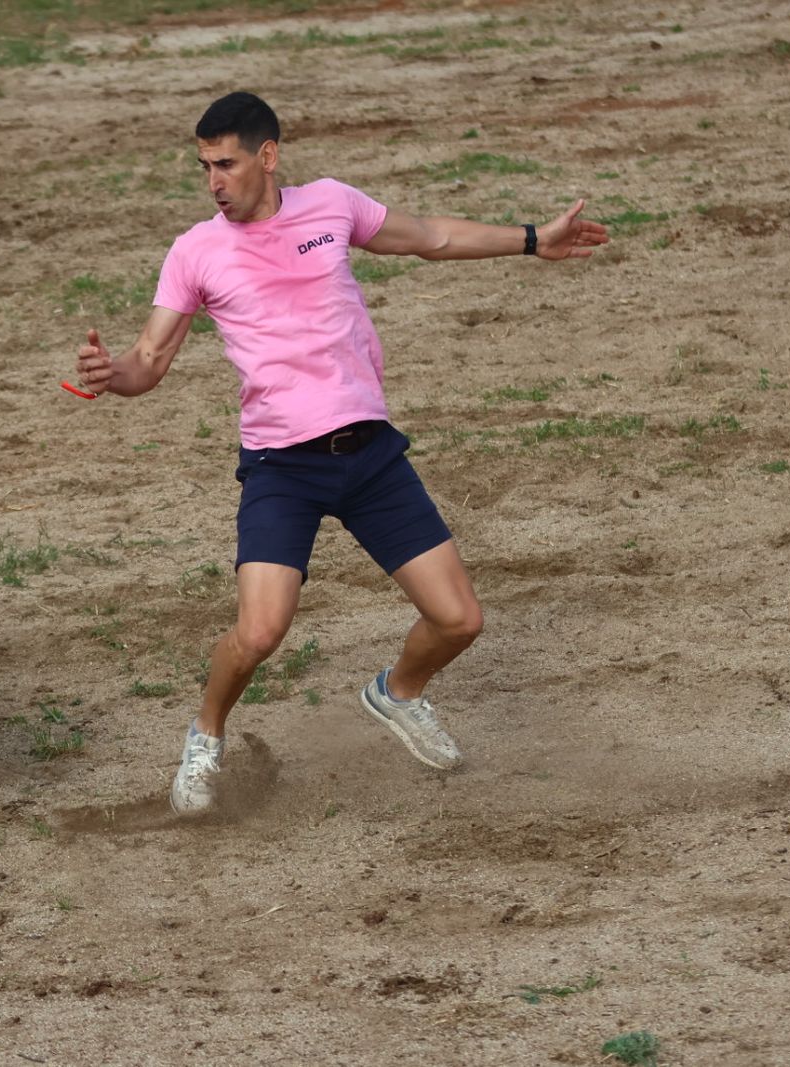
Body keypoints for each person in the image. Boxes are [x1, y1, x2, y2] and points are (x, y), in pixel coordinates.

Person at [72, 91, 608, 816]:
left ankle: (398, 692)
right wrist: (114, 379)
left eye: (225, 164)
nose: (213, 182)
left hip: (369, 456)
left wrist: (529, 238)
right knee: (260, 631)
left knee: (460, 620)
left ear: (268, 156)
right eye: (203, 167)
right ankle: (206, 732)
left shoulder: (331, 205)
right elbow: (149, 359)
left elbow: (430, 237)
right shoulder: (195, 251)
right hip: (281, 469)